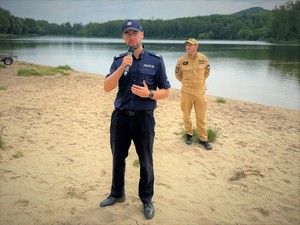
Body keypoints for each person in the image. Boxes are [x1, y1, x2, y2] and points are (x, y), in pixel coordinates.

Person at [100, 19, 171, 220]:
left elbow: (165, 91)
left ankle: (146, 199)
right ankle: (117, 194)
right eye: (127, 33)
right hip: (120, 118)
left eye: (135, 32)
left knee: (146, 161)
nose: (131, 36)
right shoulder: (118, 60)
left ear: (142, 35)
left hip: (144, 120)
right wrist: (122, 66)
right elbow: (107, 87)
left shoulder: (156, 60)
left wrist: (149, 94)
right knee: (117, 158)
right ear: (124, 37)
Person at [175, 38, 212, 150]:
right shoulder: (181, 61)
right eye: (187, 45)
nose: (188, 47)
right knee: (186, 114)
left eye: (190, 45)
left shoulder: (203, 59)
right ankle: (189, 135)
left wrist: (199, 83)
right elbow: (178, 75)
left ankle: (203, 139)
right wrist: (187, 84)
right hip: (186, 92)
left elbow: (207, 72)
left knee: (201, 116)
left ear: (196, 46)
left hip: (200, 92)